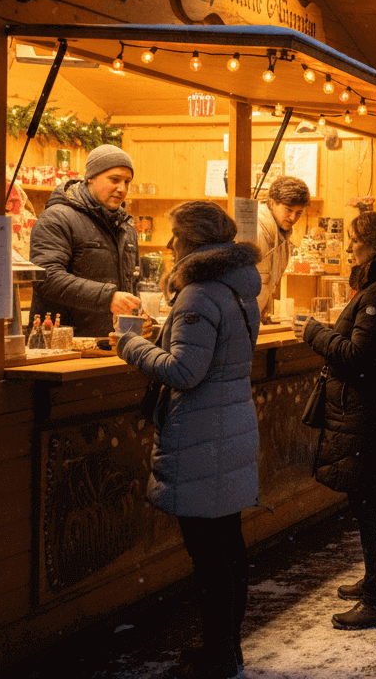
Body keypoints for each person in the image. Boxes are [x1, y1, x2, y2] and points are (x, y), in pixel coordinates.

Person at [114, 201, 262, 679]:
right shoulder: (238, 286)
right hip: (229, 425)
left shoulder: (198, 294)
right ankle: (228, 649)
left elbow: (185, 371)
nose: (169, 243)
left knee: (209, 555)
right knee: (228, 546)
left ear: (192, 241)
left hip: (203, 433)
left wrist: (129, 344)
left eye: (175, 235)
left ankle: (218, 656)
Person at [298, 211, 376, 627]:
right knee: (373, 502)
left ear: (374, 246)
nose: (350, 247)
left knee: (370, 503)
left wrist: (315, 333)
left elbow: (359, 357)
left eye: (355, 241)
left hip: (368, 413)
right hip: (374, 410)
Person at [30, 144, 143, 337]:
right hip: (63, 343)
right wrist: (108, 298)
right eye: (114, 180)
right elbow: (45, 278)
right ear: (91, 177)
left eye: (127, 182)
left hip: (111, 343)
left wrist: (138, 316)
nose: (122, 189)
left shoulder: (125, 227)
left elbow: (131, 285)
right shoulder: (57, 218)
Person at [255, 175, 310, 317]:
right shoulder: (256, 231)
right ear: (272, 202)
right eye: (289, 210)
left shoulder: (282, 237)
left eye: (299, 213)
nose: (293, 218)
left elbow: (268, 285)